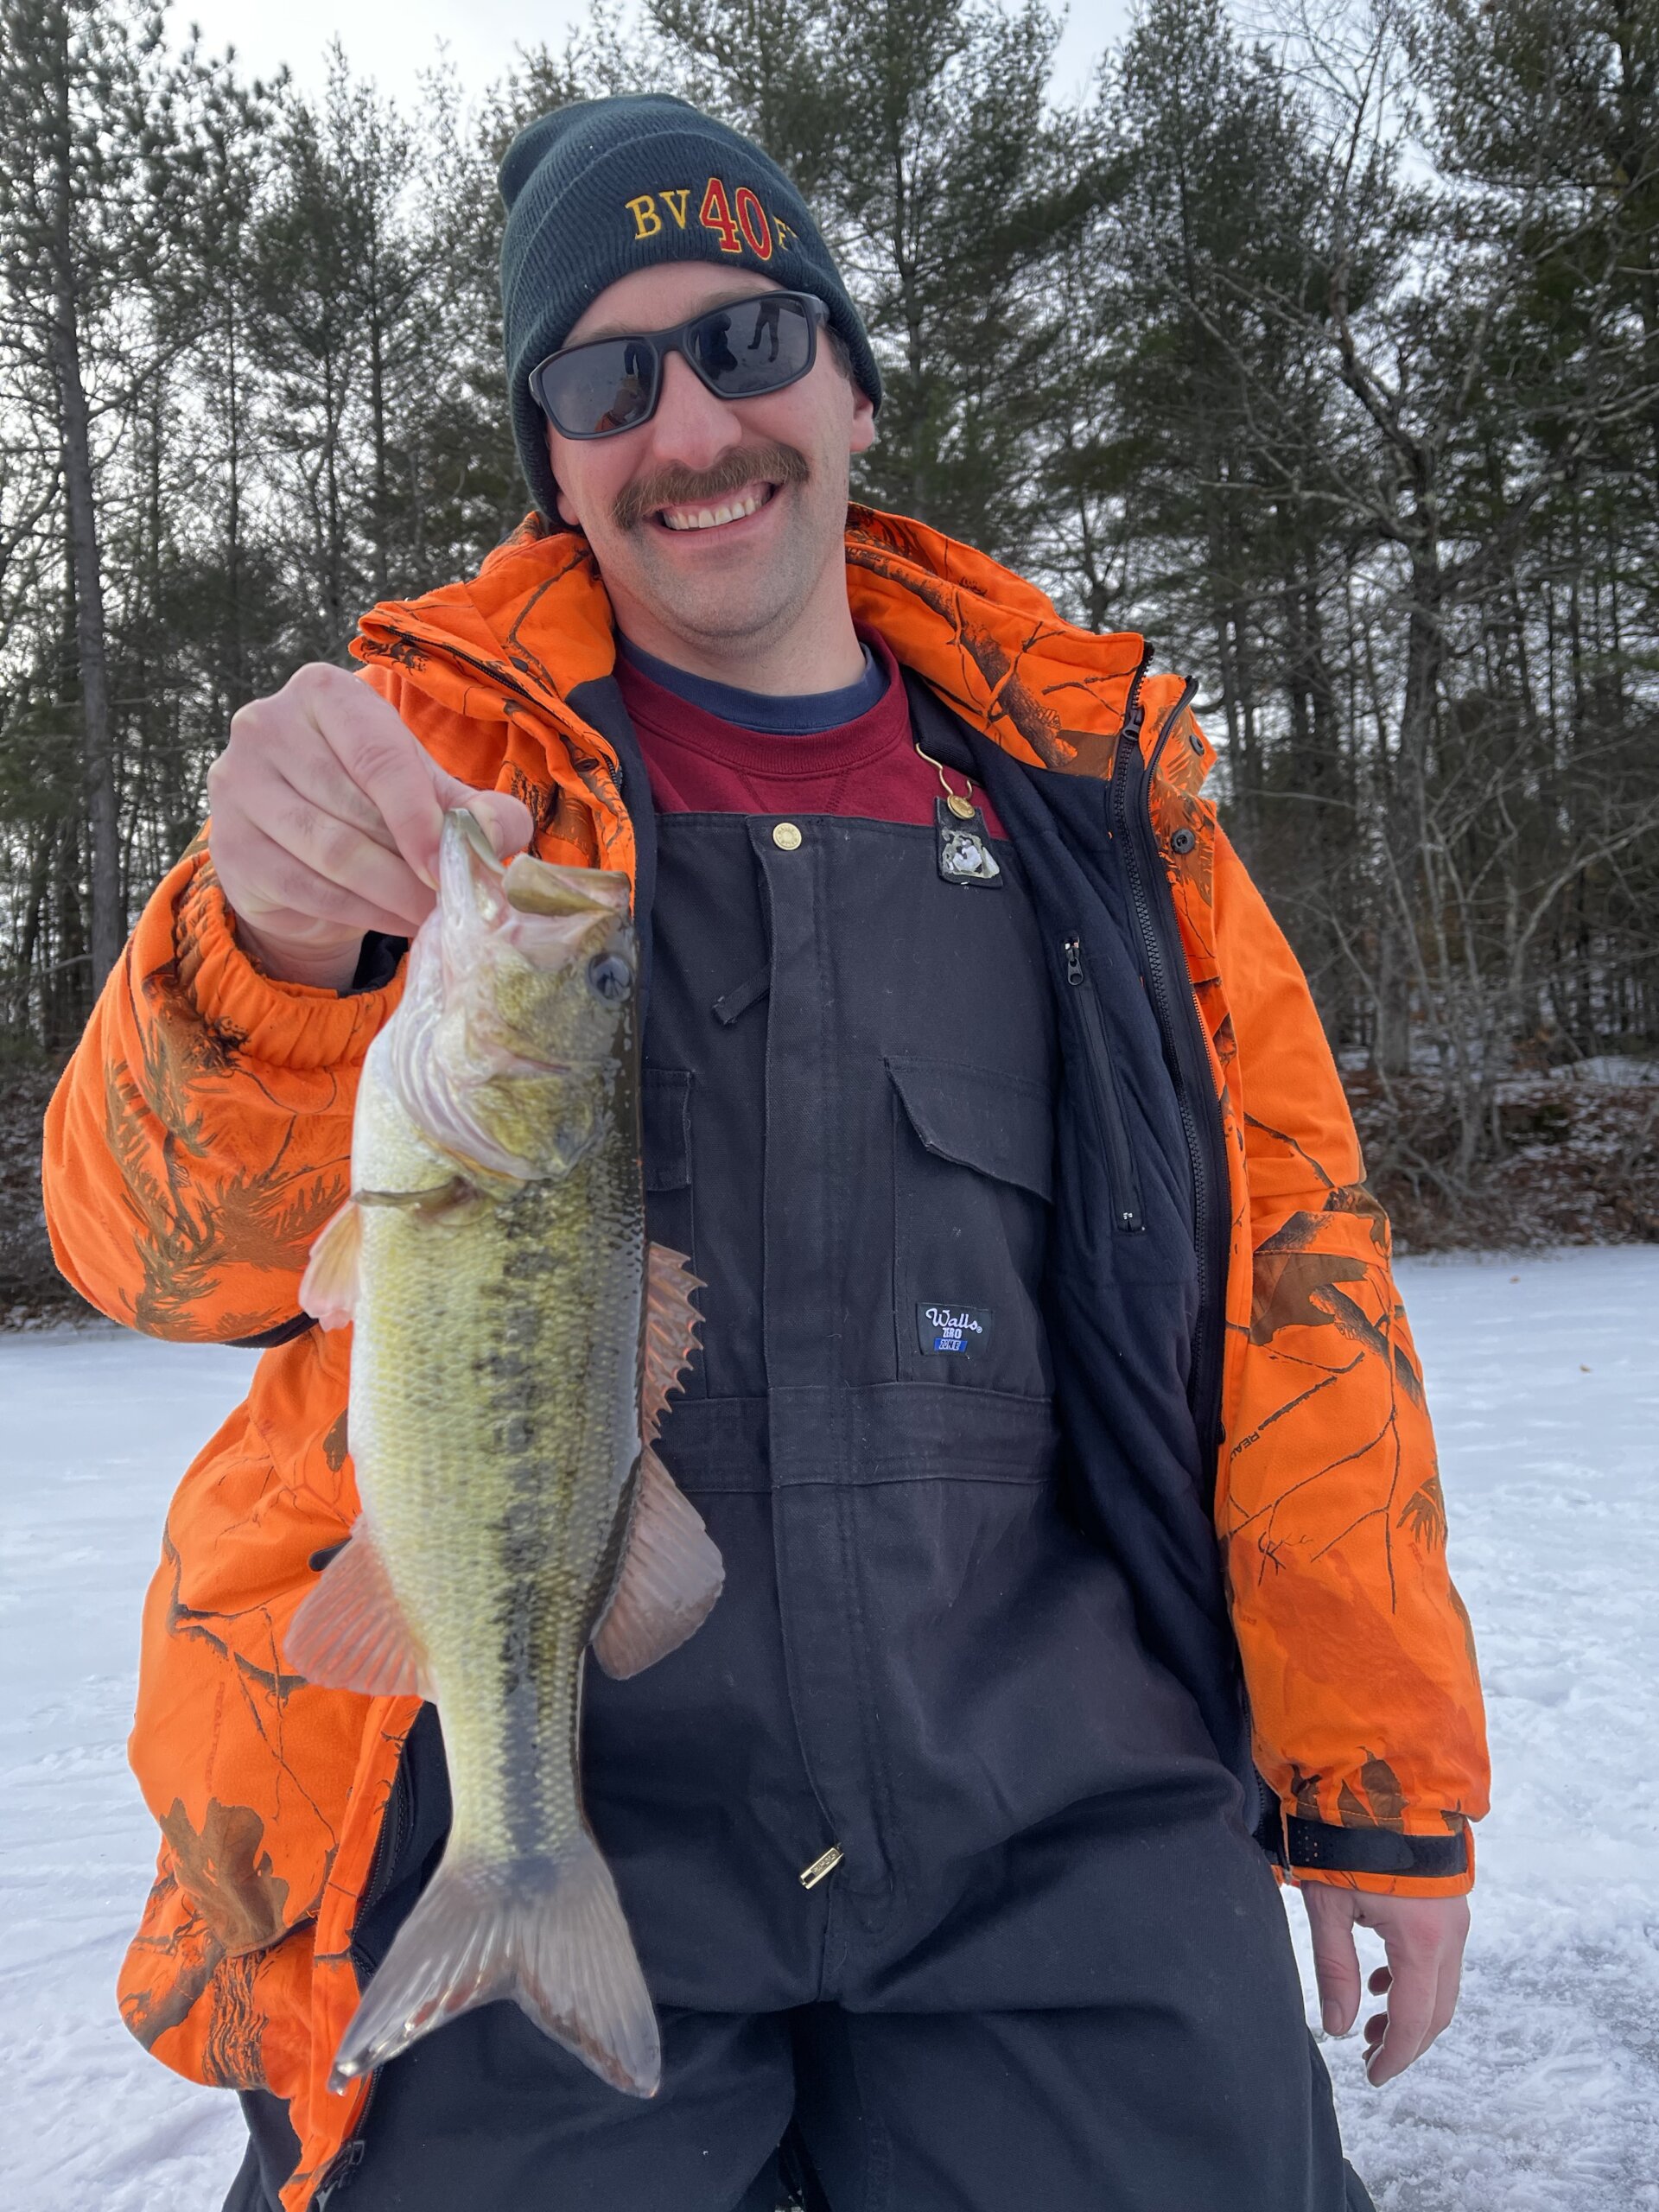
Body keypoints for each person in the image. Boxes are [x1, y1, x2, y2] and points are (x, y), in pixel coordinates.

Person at [42, 94, 1487, 2212]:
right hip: (538, 1780)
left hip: (1051, 1809)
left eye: (742, 339)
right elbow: (145, 1251)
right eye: (604, 377)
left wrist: (1377, 1775)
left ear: (853, 382)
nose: (689, 422)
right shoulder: (427, 798)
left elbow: (1305, 1297)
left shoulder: (1105, 815)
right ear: (552, 454)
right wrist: (263, 945)